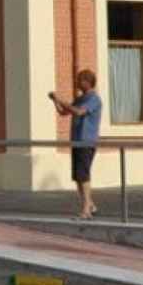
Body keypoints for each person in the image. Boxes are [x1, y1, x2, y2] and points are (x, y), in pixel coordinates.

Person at [49, 69, 102, 218]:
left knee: (84, 176)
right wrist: (55, 101)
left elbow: (79, 112)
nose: (77, 83)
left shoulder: (94, 99)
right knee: (78, 176)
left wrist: (62, 101)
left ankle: (86, 210)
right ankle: (90, 205)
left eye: (79, 80)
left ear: (87, 82)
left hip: (86, 142)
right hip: (76, 141)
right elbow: (63, 112)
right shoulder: (79, 99)